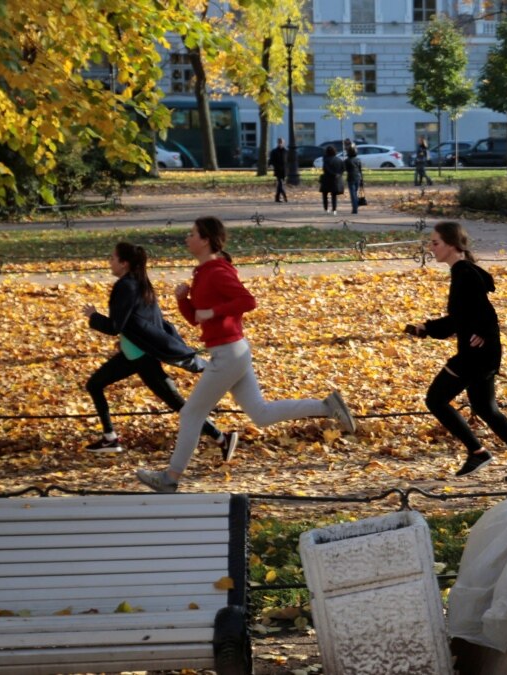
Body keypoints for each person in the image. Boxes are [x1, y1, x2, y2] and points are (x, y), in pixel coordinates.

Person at [135, 217, 356, 493]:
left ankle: (170, 478)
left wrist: (213, 312)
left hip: (229, 354)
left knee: (191, 414)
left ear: (205, 240)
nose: (187, 238)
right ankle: (326, 406)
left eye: (191, 234)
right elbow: (195, 319)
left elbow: (247, 301)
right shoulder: (202, 272)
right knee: (260, 414)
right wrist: (183, 300)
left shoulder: (217, 271)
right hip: (231, 351)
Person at [404, 221, 507, 482]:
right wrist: (427, 328)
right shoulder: (462, 271)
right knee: (485, 408)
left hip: (475, 356)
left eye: (435, 243)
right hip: (480, 353)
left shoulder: (465, 273)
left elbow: (486, 312)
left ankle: (478, 452)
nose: (431, 248)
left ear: (453, 246)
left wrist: (485, 332)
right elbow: (461, 317)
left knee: (436, 399)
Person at [82, 242, 237, 459]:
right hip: (136, 353)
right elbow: (140, 321)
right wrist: (126, 340)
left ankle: (111, 437)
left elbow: (114, 326)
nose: (110, 261)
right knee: (96, 385)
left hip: (140, 356)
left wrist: (93, 316)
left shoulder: (125, 286)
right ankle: (110, 437)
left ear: (124, 263)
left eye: (113, 258)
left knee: (175, 403)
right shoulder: (139, 283)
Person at [319, 145, 345, 215]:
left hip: (327, 179)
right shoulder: (339, 160)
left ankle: (326, 208)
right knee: (334, 195)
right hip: (335, 180)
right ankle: (334, 209)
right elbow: (343, 169)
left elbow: (325, 169)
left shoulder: (326, 160)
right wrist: (338, 174)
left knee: (325, 195)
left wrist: (332, 173)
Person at [344, 144, 363, 215]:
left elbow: (344, 169)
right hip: (358, 177)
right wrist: (362, 180)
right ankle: (356, 205)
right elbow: (360, 170)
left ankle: (355, 208)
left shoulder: (347, 161)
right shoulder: (358, 160)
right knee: (355, 192)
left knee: (353, 194)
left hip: (351, 178)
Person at [269, 137, 288, 203]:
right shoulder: (274, 151)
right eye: (279, 142)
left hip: (284, 170)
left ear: (283, 143)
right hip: (277, 170)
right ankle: (285, 196)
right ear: (278, 143)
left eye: (281, 142)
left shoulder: (286, 151)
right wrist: (271, 165)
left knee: (280, 185)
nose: (280, 144)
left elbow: (288, 161)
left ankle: (277, 198)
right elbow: (271, 160)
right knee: (280, 184)